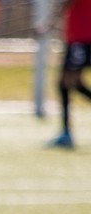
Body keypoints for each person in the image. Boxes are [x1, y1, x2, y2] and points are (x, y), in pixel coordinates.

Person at [40, 0, 91, 148]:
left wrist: (48, 25)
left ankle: (66, 134)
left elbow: (65, 3)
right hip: (78, 38)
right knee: (65, 83)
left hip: (82, 39)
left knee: (69, 82)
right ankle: (66, 133)